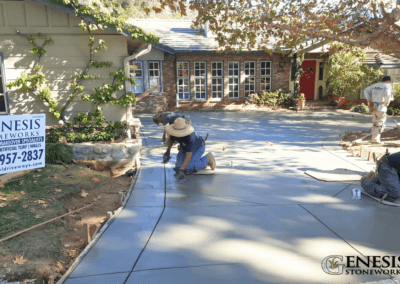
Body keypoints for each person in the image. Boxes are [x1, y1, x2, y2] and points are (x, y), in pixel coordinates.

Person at [363, 76, 393, 144]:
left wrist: (368, 100)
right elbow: (388, 94)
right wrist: (387, 102)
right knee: (380, 123)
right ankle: (376, 140)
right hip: (381, 106)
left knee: (375, 122)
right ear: (388, 81)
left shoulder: (374, 85)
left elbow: (365, 91)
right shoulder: (387, 86)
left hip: (373, 106)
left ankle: (374, 138)